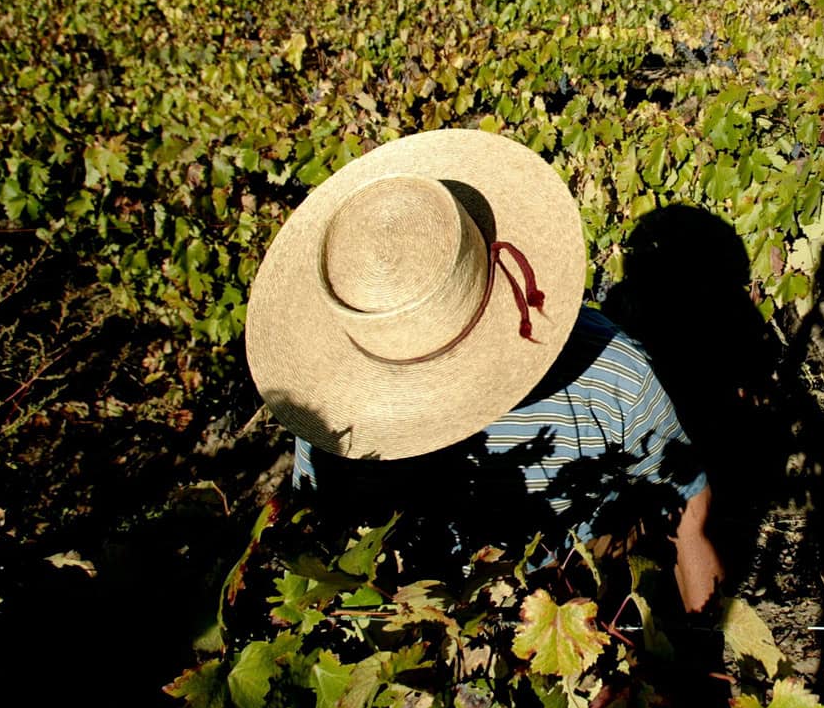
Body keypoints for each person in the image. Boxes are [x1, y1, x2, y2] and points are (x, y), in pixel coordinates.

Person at [244, 128, 722, 611]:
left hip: (571, 612)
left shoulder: (612, 373)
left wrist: (697, 662)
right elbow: (323, 544)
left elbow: (687, 519)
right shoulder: (335, 410)